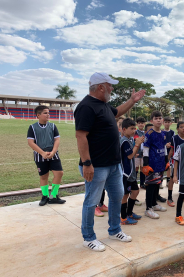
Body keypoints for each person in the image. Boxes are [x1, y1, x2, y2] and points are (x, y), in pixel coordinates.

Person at [75, 72, 145, 252]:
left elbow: (118, 111)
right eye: (110, 85)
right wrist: (87, 163)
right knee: (91, 201)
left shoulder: (104, 105)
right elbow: (80, 136)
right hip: (96, 165)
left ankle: (114, 230)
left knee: (116, 196)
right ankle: (88, 237)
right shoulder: (86, 107)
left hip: (114, 164)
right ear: (100, 87)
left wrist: (132, 101)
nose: (112, 88)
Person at [27, 105, 65, 206]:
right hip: (40, 155)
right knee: (44, 176)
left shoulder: (52, 126)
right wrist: (42, 153)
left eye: (48, 113)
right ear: (38, 115)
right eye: (45, 113)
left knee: (59, 173)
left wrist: (53, 152)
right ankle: (45, 196)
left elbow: (57, 139)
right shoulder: (32, 127)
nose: (48, 114)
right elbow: (31, 142)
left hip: (53, 154)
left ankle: (53, 196)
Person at [142, 110, 169, 219]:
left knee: (157, 184)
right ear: (151, 120)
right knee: (151, 186)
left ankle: (154, 204)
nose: (158, 120)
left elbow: (164, 148)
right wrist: (146, 164)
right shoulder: (149, 134)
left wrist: (166, 161)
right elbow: (145, 149)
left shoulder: (163, 133)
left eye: (160, 118)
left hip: (161, 163)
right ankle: (148, 209)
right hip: (152, 164)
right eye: (156, 118)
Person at [120, 118, 144, 225]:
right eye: (131, 128)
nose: (134, 130)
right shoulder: (124, 141)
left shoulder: (130, 139)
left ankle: (129, 213)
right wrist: (137, 145)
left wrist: (136, 145)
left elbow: (132, 154)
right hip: (125, 173)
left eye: (134, 128)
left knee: (135, 191)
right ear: (124, 129)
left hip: (131, 172)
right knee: (125, 195)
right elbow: (130, 156)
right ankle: (124, 218)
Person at [167, 121, 184, 207]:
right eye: (181, 127)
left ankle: (183, 194)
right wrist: (167, 161)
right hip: (175, 162)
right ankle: (169, 197)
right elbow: (171, 150)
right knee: (172, 178)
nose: (183, 128)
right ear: (178, 129)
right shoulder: (175, 138)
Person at [134, 117, 146, 189]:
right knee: (136, 167)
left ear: (144, 124)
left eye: (142, 123)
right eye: (139, 123)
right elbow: (136, 139)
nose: (141, 124)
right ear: (137, 124)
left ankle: (142, 183)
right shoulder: (136, 132)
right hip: (137, 152)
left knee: (142, 168)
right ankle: (135, 183)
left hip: (143, 153)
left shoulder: (145, 132)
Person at [163, 117, 175, 188]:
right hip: (163, 151)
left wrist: (170, 144)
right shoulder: (161, 131)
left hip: (170, 151)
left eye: (168, 122)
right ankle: (160, 181)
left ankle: (168, 180)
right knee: (162, 166)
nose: (167, 123)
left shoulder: (172, 132)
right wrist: (165, 144)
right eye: (166, 122)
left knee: (168, 166)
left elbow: (173, 141)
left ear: (171, 123)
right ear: (163, 123)